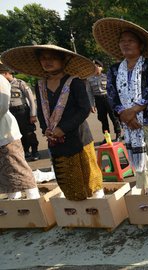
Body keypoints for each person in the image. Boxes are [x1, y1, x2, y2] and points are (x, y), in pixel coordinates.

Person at [2, 44, 104, 200]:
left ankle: (98, 207)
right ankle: (76, 214)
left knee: (90, 177)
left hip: (79, 136)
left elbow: (83, 109)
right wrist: (46, 130)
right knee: (68, 179)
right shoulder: (40, 84)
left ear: (63, 60)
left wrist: (63, 128)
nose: (47, 61)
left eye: (52, 57)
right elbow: (42, 112)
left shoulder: (75, 82)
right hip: (55, 140)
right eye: (43, 58)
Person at [93, 18, 148, 196]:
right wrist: (124, 114)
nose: (126, 44)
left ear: (140, 44)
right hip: (128, 122)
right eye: (122, 41)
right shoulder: (115, 69)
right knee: (141, 159)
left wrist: (133, 111)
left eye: (130, 40)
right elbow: (111, 94)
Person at [0, 74, 40, 200]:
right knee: (5, 169)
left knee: (16, 164)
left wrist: (33, 114)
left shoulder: (2, 80)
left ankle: (34, 198)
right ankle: (13, 196)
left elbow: (2, 106)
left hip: (6, 129)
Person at [0, 62, 40, 161]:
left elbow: (31, 99)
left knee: (29, 133)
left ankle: (35, 151)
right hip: (11, 113)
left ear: (6, 73)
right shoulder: (3, 85)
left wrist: (33, 114)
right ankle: (26, 151)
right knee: (18, 134)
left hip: (22, 112)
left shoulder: (20, 83)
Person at [86, 59, 122, 142]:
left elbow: (113, 89)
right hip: (98, 99)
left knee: (114, 117)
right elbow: (89, 93)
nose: (96, 68)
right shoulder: (89, 79)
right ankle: (107, 137)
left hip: (108, 98)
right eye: (95, 67)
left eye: (98, 66)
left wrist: (116, 101)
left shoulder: (106, 77)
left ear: (101, 68)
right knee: (103, 119)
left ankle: (118, 134)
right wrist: (92, 105)